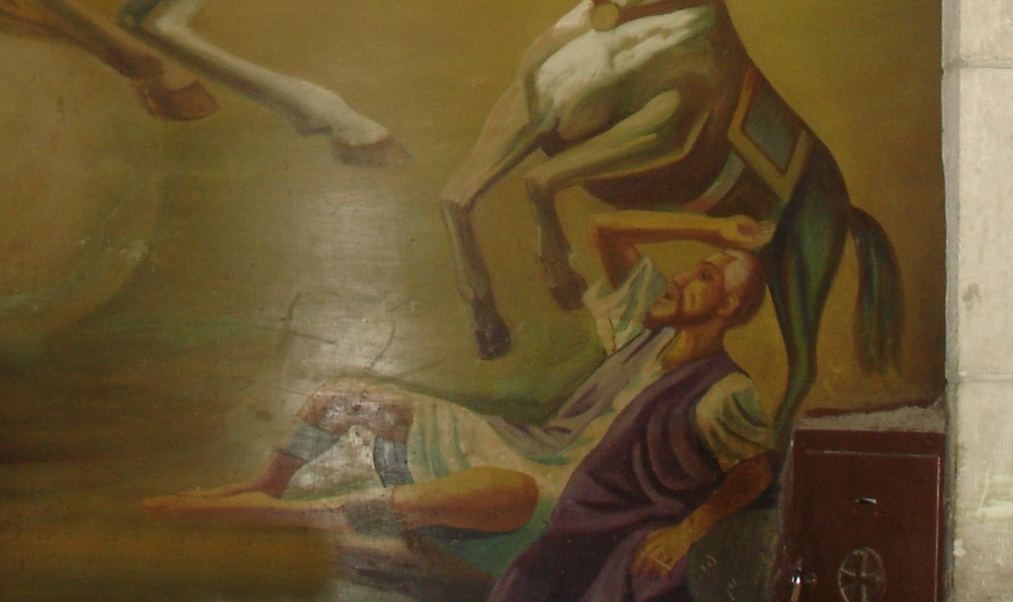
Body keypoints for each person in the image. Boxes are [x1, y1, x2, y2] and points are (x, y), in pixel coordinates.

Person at [143, 211, 773, 595]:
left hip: (561, 510)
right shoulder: (644, 328)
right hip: (518, 445)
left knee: (501, 490)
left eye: (707, 276)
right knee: (346, 398)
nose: (685, 275)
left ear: (729, 306)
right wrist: (712, 229)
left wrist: (688, 530)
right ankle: (267, 486)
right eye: (697, 265)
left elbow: (755, 471)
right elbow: (605, 228)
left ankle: (281, 520)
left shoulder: (726, 390)